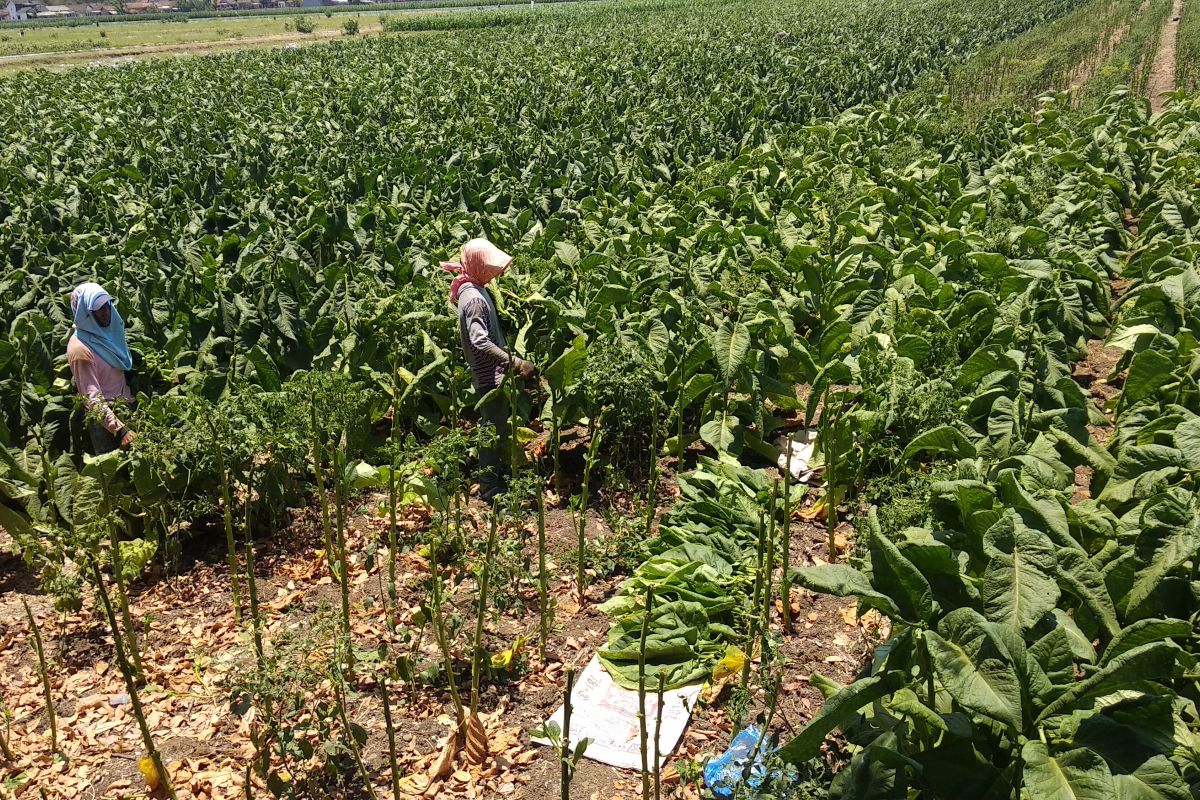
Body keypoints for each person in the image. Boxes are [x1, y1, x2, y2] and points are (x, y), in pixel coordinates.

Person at [442, 239, 537, 500]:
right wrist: (516, 362)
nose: (497, 273)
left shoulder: (474, 288)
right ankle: (489, 487)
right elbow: (479, 341)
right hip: (488, 374)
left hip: (494, 372)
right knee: (490, 429)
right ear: (478, 265)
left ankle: (495, 476)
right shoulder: (472, 298)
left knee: (495, 427)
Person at [67, 282, 137, 454]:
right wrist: (120, 430)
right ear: (86, 314)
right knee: (116, 474)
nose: (106, 312)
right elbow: (92, 400)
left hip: (125, 405)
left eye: (107, 305)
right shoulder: (80, 350)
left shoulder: (106, 334)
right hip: (106, 422)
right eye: (98, 309)